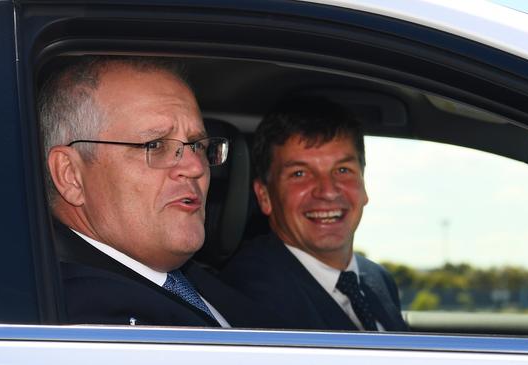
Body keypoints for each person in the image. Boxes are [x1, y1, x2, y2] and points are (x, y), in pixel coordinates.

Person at [39, 56, 270, 327]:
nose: (196, 165)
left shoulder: (186, 279)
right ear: (71, 175)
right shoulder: (85, 322)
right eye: (155, 145)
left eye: (196, 144)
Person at [221, 97, 408, 331]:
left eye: (342, 170)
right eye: (300, 174)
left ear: (364, 185)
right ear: (264, 196)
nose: (328, 191)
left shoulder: (377, 278)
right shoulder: (247, 295)